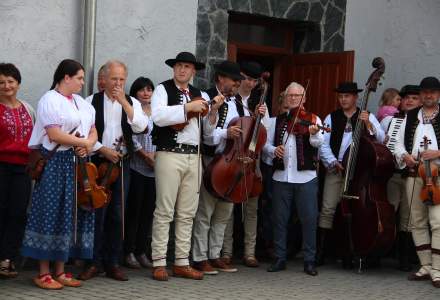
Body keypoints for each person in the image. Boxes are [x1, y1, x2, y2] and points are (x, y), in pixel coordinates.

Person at [21, 59, 97, 289]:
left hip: (77, 161)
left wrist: (88, 144)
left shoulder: (81, 103)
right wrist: (82, 141)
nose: (82, 83)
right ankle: (43, 272)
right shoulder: (49, 100)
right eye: (80, 78)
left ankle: (61, 270)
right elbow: (54, 134)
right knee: (50, 211)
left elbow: (93, 130)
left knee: (71, 213)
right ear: (66, 77)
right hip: (55, 162)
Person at [150, 52, 220, 281]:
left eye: (187, 67)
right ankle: (159, 261)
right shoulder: (162, 89)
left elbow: (208, 135)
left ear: (193, 71)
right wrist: (188, 107)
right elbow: (158, 117)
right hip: (169, 153)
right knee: (164, 210)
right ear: (174, 68)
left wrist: (213, 112)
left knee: (188, 213)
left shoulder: (200, 94)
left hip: (193, 155)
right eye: (179, 66)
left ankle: (181, 261)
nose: (182, 70)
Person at [79, 60, 149, 282]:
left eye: (121, 79)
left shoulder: (132, 102)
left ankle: (113, 262)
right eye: (114, 79)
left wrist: (124, 103)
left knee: (118, 214)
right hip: (98, 161)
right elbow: (84, 132)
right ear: (104, 79)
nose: (118, 83)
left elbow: (142, 127)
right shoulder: (91, 101)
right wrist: (102, 149)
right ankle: (93, 262)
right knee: (96, 211)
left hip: (121, 164)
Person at [317, 82, 385, 266]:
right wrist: (332, 161)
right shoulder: (331, 117)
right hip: (337, 168)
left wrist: (368, 123)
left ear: (355, 98)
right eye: (341, 96)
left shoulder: (367, 115)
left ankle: (350, 250)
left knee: (355, 211)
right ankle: (322, 251)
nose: (343, 99)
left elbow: (381, 137)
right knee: (328, 208)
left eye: (347, 96)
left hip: (360, 171)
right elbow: (322, 142)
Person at [263, 82, 323, 275]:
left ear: (304, 99)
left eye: (297, 96)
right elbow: (264, 145)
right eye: (290, 96)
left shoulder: (313, 119)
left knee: (309, 219)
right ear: (285, 98)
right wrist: (274, 150)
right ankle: (280, 258)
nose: (294, 99)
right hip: (281, 177)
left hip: (305, 177)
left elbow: (318, 142)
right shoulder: (276, 120)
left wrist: (313, 134)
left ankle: (309, 260)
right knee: (279, 219)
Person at [192, 60, 245, 275]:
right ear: (221, 78)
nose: (236, 85)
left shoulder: (238, 103)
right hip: (210, 160)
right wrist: (226, 133)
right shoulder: (205, 98)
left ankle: (215, 255)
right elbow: (207, 136)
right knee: (205, 211)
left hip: (231, 163)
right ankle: (199, 257)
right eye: (234, 81)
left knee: (224, 212)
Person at [394, 76, 440, 288]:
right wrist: (405, 156)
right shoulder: (410, 116)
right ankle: (426, 266)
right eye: (425, 92)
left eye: (432, 92)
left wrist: (438, 152)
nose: (428, 95)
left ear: (438, 95)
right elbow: (397, 145)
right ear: (421, 95)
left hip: (438, 175)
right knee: (417, 221)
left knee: (438, 222)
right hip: (414, 174)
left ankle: (438, 269)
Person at [221, 61, 269, 268]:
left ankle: (250, 252)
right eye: (247, 78)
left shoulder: (260, 101)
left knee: (251, 209)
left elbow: (263, 134)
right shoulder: (231, 99)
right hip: (233, 157)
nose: (249, 83)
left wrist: (261, 117)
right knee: (228, 206)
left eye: (254, 80)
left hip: (251, 159)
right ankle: (226, 252)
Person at [0, 63, 35, 279]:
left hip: (23, 169)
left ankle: (7, 258)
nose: (6, 86)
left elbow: (37, 141)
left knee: (18, 214)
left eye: (10, 81)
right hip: (0, 166)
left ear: (18, 83)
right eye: (1, 82)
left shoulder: (28, 109)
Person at [381, 84, 421, 271]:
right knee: (389, 212)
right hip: (395, 174)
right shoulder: (394, 120)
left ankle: (405, 257)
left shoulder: (424, 122)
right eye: (406, 98)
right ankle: (381, 252)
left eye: (414, 97)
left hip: (414, 175)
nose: (410, 100)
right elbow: (387, 146)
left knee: (408, 217)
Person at [124, 77, 156, 269]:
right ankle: (128, 251)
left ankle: (142, 251)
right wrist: (145, 156)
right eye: (142, 90)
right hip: (137, 166)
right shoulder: (133, 112)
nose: (146, 93)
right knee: (133, 212)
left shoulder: (158, 112)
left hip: (155, 170)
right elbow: (130, 138)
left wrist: (156, 157)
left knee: (148, 213)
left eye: (149, 89)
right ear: (135, 93)